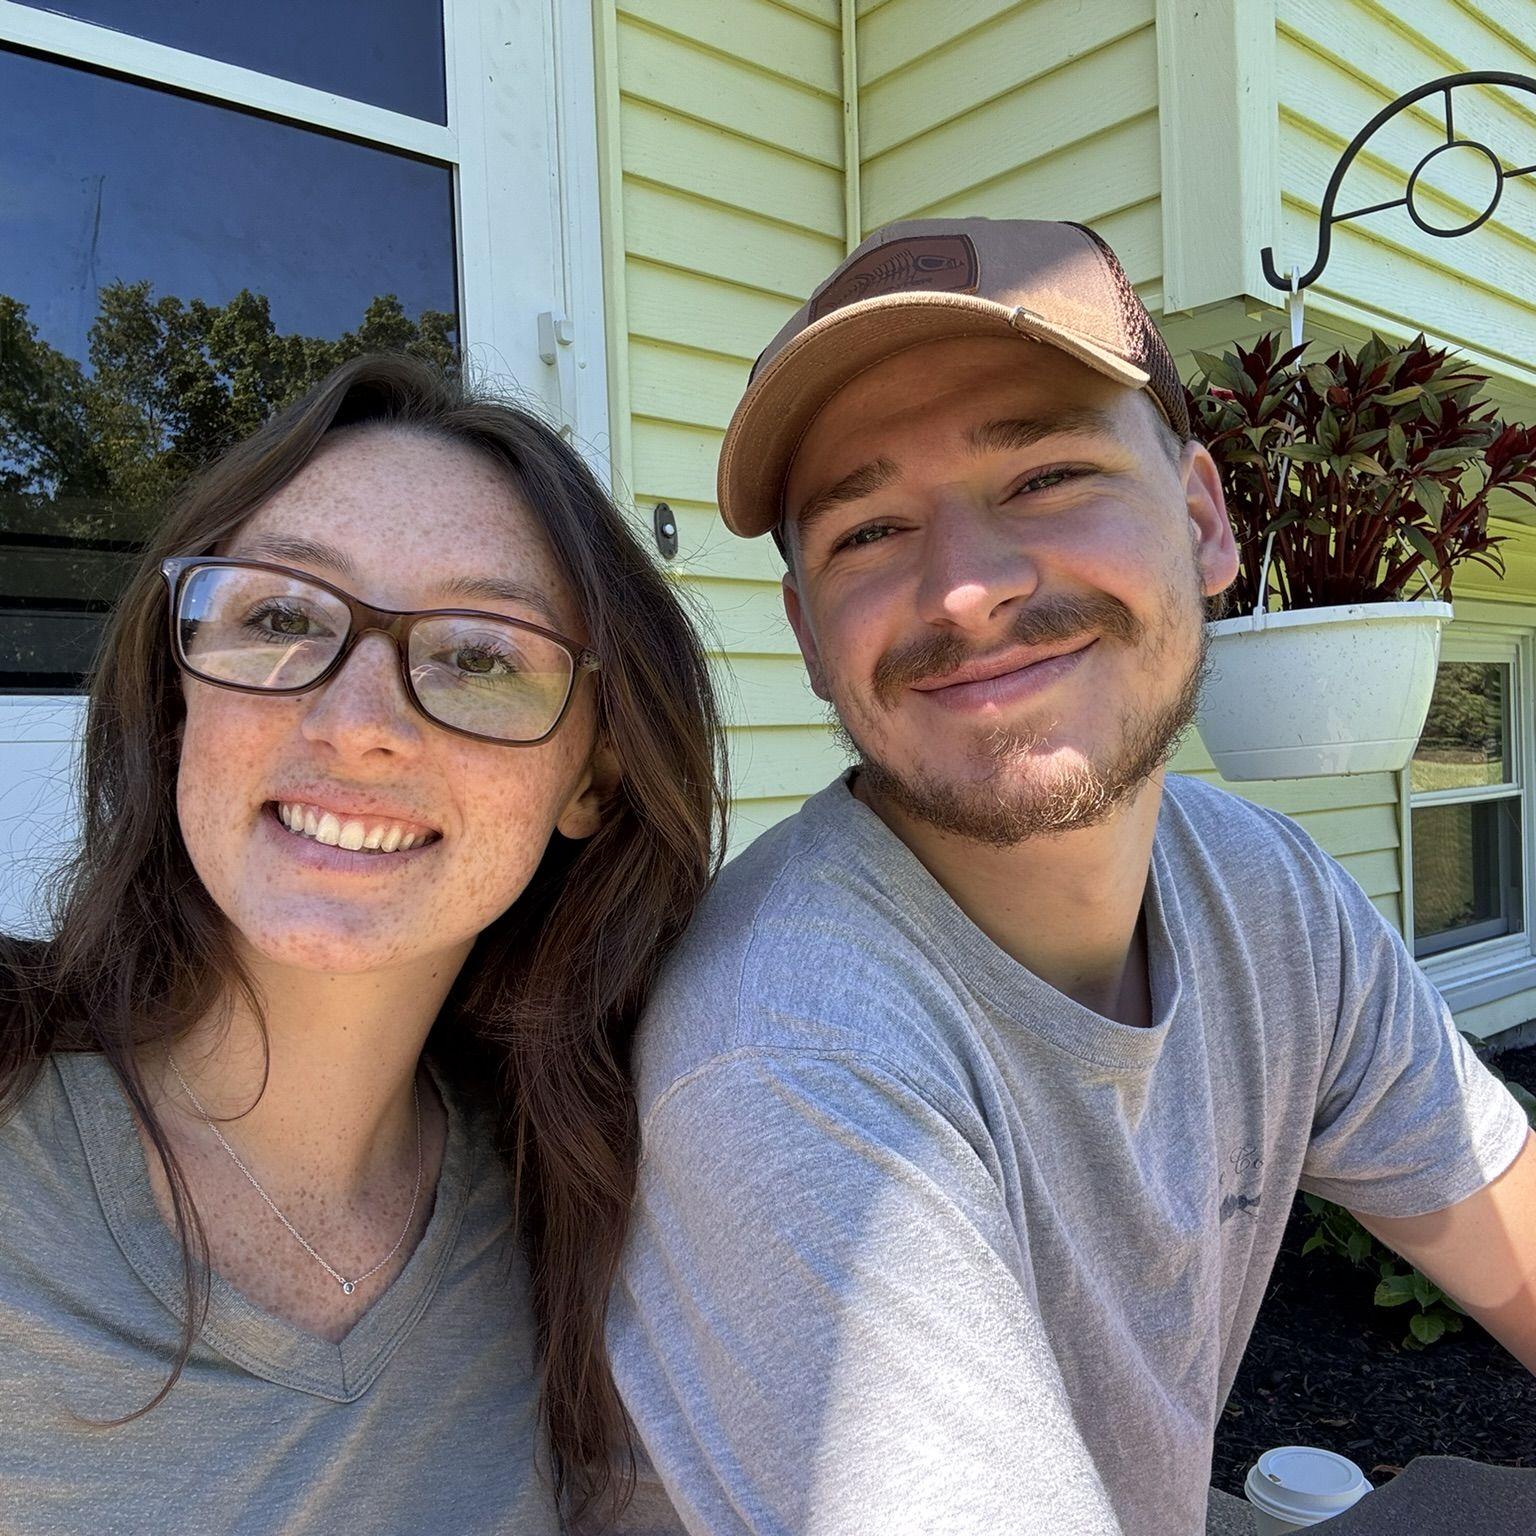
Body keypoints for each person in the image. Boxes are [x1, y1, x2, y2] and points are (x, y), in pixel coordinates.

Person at [602, 219, 1536, 1534]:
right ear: (811, 637)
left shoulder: (1264, 895)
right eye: (868, 530)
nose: (968, 589)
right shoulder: (785, 1062)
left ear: (1206, 524)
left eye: (1044, 474)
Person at [0, 354, 725, 1533]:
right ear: (182, 699)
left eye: (480, 654)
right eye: (281, 616)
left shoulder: (592, 1209)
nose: (357, 726)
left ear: (593, 773)